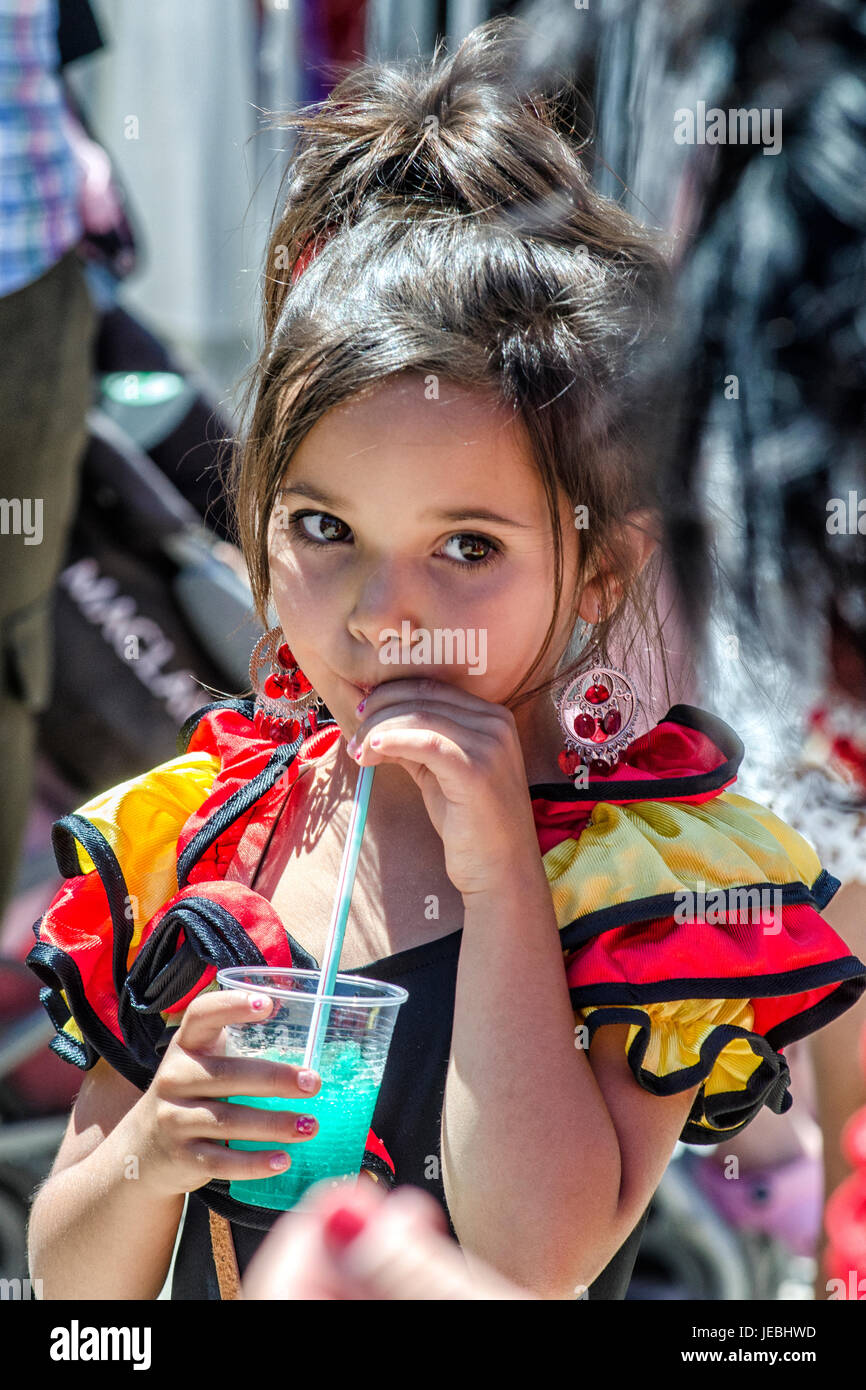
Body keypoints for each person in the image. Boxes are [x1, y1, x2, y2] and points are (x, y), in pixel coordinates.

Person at [24, 18, 866, 1301]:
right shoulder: (201, 834)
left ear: (600, 566)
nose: (384, 613)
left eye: (466, 546)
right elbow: (76, 1300)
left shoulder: (641, 883)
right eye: (323, 530)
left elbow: (536, 1261)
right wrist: (149, 1148)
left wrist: (496, 868)